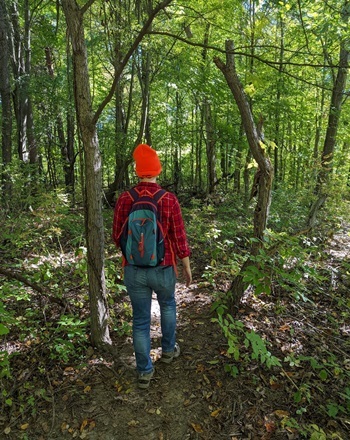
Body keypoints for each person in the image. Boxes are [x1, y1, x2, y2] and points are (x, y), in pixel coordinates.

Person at [112, 143, 192, 389]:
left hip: (134, 270)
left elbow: (117, 235)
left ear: (138, 171)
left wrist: (135, 254)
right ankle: (168, 351)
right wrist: (186, 265)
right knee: (168, 305)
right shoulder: (169, 199)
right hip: (164, 267)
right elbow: (179, 237)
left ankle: (145, 371)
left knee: (140, 320)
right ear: (157, 170)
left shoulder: (125, 198)